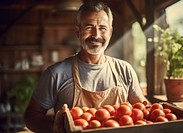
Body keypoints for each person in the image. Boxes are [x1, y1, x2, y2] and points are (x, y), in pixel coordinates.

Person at [24, 1, 149, 133]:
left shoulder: (125, 70)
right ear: (78, 32)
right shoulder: (56, 74)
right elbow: (31, 116)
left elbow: (144, 111)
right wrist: (54, 128)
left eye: (102, 28)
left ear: (110, 33)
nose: (96, 35)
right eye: (89, 27)